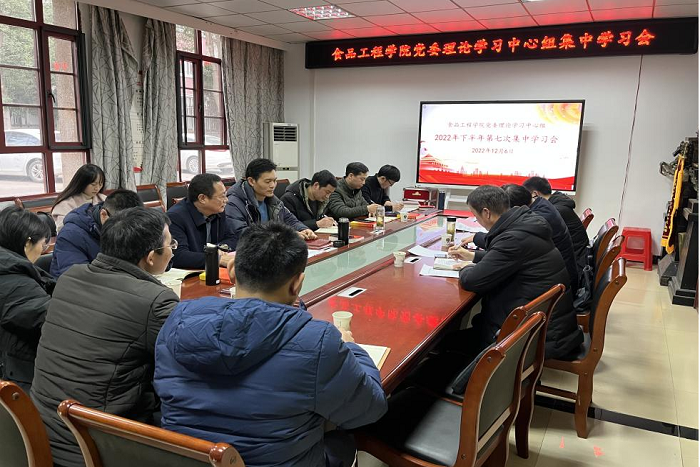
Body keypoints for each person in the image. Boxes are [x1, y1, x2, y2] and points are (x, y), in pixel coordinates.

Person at [154, 223, 387, 467]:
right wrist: (351, 347)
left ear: (231, 271)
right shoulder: (318, 343)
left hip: (189, 460)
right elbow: (370, 408)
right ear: (298, 284)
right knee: (342, 440)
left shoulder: (176, 322)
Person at [31, 207, 179, 467]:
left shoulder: (70, 278)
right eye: (170, 245)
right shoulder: (154, 300)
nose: (172, 251)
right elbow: (193, 355)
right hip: (93, 445)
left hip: (39, 432)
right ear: (150, 257)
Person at [447, 185, 582, 360]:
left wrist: (465, 267)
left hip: (535, 338)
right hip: (549, 328)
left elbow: (472, 281)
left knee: (445, 344)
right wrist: (474, 257)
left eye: (475, 215)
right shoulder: (526, 223)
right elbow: (509, 259)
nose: (477, 220)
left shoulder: (514, 238)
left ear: (486, 213)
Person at [0, 207, 55, 393]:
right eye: (43, 245)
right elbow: (49, 321)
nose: (42, 251)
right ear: (27, 243)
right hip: (17, 377)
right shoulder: (14, 283)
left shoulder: (10, 269)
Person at [501, 184, 579, 292]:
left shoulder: (537, 219)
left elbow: (510, 244)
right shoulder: (542, 204)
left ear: (513, 208)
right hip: (561, 278)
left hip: (559, 288)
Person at [49, 189, 143, 278]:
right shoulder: (71, 235)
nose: (127, 232)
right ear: (103, 215)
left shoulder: (132, 226)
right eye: (122, 226)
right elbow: (78, 280)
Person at [225, 158, 316, 242]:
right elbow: (243, 235)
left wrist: (303, 229)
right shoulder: (234, 203)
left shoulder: (274, 201)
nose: (272, 185)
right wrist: (284, 236)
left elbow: (290, 220)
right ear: (251, 181)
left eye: (275, 181)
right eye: (268, 182)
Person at [167, 173, 237, 269]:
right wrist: (216, 258)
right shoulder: (175, 217)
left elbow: (232, 238)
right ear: (202, 198)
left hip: (211, 270)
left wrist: (215, 249)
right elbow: (178, 256)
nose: (226, 200)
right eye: (222, 196)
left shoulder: (218, 210)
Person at [523, 176, 590, 267]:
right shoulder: (558, 204)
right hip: (577, 258)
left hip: (575, 264)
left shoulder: (553, 212)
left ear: (535, 194)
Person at [51, 164, 107, 232]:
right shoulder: (65, 204)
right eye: (93, 184)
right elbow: (63, 229)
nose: (97, 188)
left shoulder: (104, 199)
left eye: (100, 184)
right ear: (82, 183)